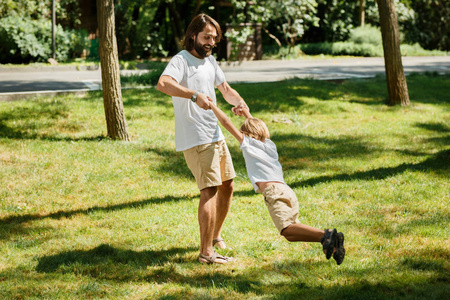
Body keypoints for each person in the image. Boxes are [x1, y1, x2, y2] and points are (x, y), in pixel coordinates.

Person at [156, 14, 248, 264]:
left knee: (227, 185)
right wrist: (193, 94)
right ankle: (206, 252)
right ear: (193, 35)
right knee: (209, 190)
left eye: (214, 38)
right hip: (196, 136)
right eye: (207, 37)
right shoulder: (181, 60)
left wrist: (240, 104)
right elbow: (163, 83)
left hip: (214, 134)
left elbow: (226, 90)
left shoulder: (210, 61)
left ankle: (215, 237)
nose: (211, 42)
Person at [208, 102, 346, 265]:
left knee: (287, 229)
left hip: (274, 192)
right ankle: (330, 244)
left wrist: (212, 106)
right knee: (289, 234)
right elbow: (257, 128)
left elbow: (226, 123)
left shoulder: (248, 144)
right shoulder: (270, 145)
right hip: (286, 190)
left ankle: (327, 235)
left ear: (245, 133)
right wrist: (247, 114)